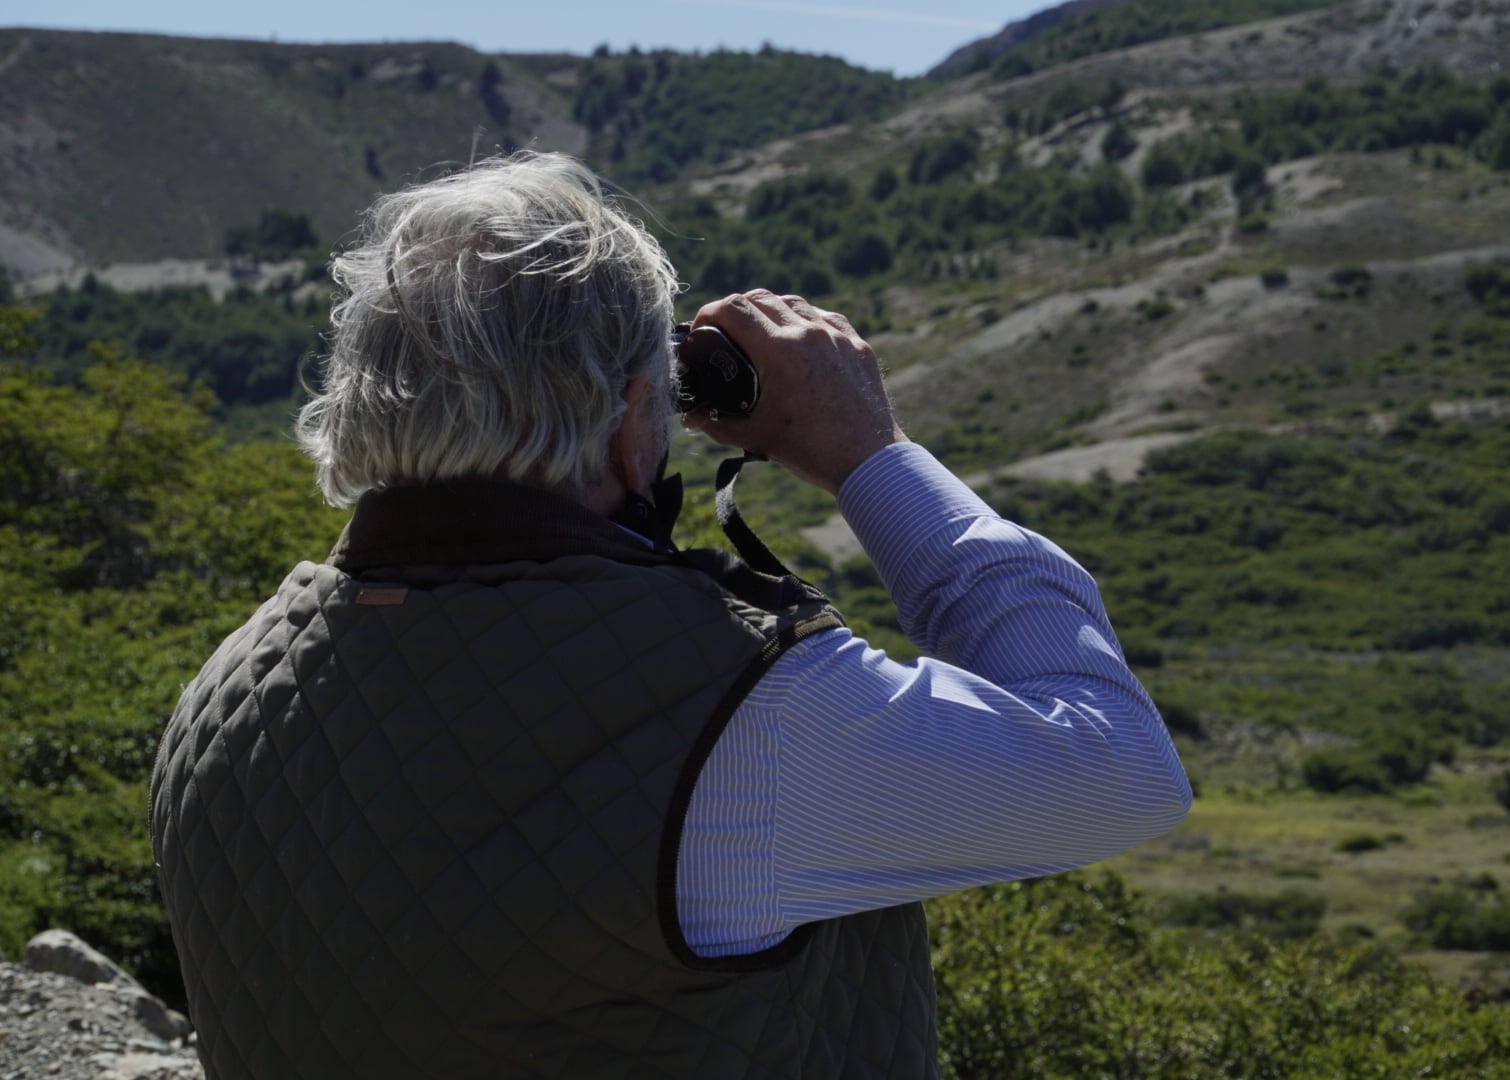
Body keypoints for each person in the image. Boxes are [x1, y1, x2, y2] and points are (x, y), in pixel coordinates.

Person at [148, 151, 1191, 1079]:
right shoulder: (732, 716)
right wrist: (874, 459)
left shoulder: (223, 694)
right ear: (639, 419)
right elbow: (1120, 766)